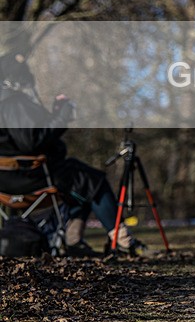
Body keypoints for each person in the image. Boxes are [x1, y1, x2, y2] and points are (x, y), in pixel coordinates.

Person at [0, 51, 145, 256]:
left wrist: (55, 114)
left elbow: (26, 134)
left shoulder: (7, 102)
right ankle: (123, 241)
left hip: (8, 180)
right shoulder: (13, 103)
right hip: (31, 177)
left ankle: (73, 240)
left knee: (81, 182)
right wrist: (62, 117)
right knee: (94, 181)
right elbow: (31, 142)